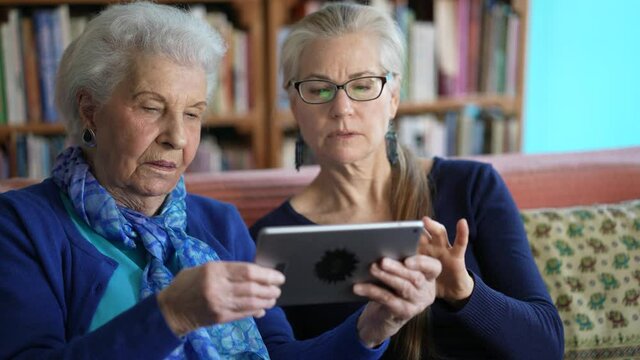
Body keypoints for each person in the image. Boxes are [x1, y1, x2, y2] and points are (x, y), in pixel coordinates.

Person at [0, 2, 442, 359]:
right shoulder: (22, 226)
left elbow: (280, 354)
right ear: (90, 110)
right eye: (152, 107)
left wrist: (369, 328)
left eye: (192, 114)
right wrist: (171, 314)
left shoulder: (219, 223)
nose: (176, 137)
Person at [250, 2, 564, 359]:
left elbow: (547, 346)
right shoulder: (270, 239)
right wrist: (367, 330)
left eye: (363, 85)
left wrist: (464, 291)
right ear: (294, 104)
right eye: (319, 89)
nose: (341, 108)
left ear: (394, 98)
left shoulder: (472, 187)